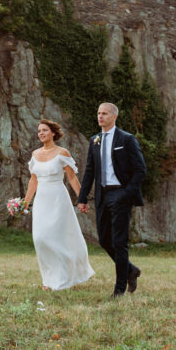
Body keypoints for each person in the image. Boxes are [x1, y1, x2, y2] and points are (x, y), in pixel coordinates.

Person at [77, 102, 146, 297]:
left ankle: (119, 289)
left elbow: (140, 170)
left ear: (114, 117)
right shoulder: (95, 140)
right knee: (105, 240)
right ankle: (131, 270)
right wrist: (82, 198)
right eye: (98, 113)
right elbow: (90, 171)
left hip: (120, 194)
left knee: (119, 241)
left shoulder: (127, 139)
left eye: (104, 114)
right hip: (102, 195)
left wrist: (126, 194)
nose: (100, 117)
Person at [22, 119, 95, 291]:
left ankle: (62, 278)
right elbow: (33, 181)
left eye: (45, 130)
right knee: (40, 239)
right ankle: (48, 278)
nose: (41, 133)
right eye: (39, 131)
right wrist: (25, 203)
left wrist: (81, 199)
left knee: (57, 238)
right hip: (41, 200)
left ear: (53, 133)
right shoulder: (35, 154)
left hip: (58, 199)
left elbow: (72, 178)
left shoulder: (62, 153)